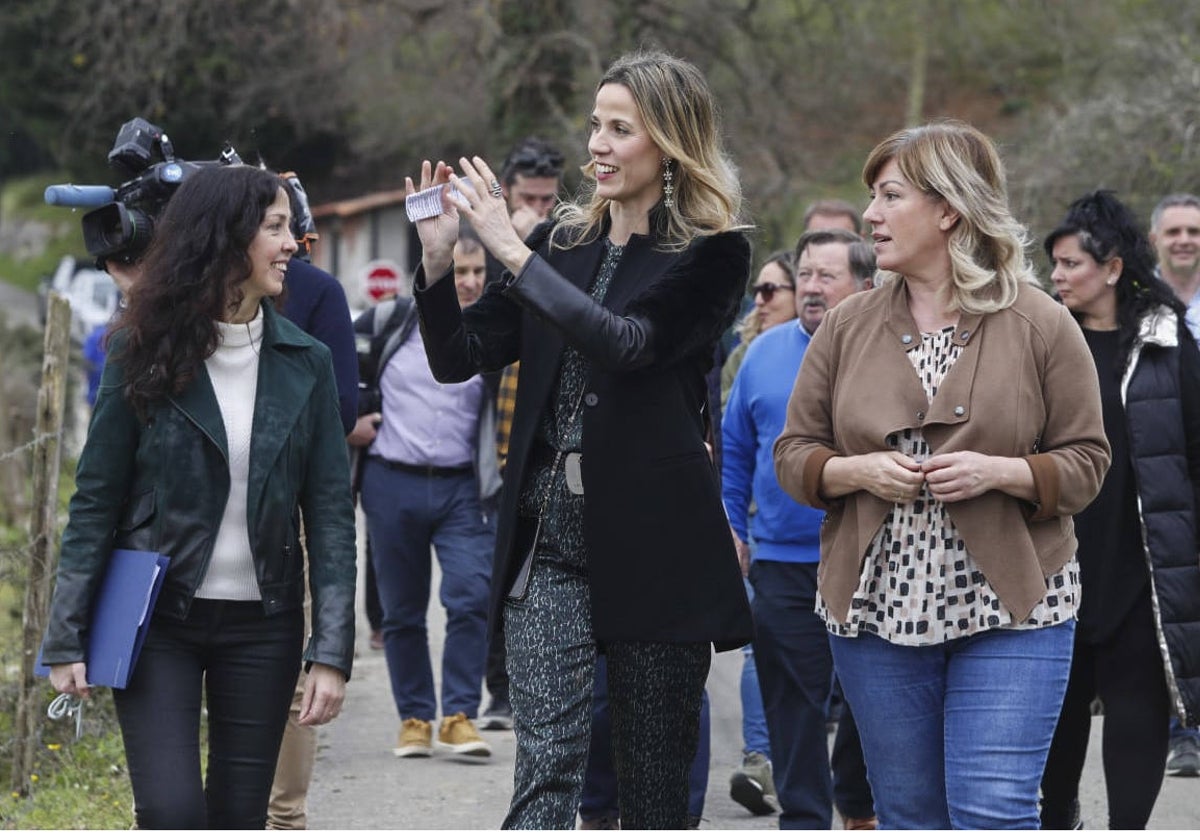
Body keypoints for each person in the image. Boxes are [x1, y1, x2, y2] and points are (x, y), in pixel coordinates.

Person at [408, 50, 754, 829]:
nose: (597, 143)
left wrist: (512, 250)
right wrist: (435, 264)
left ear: (669, 144)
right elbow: (456, 357)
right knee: (544, 774)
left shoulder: (712, 253)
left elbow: (629, 344)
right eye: (595, 124)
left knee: (653, 794)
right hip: (550, 555)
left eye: (620, 128)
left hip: (657, 554)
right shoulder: (564, 244)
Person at [773, 120, 1111, 830]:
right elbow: (794, 453)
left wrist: (1007, 472)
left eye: (890, 195)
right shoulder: (846, 326)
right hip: (876, 614)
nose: (870, 215)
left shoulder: (1043, 323)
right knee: (911, 815)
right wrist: (851, 469)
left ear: (949, 209)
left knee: (991, 811)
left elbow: (1087, 464)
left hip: (1017, 611)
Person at [39, 165, 357, 829]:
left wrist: (330, 651)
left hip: (264, 629)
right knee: (173, 813)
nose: (293, 241)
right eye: (274, 227)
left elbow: (330, 517)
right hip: (158, 623)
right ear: (224, 237)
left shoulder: (307, 362)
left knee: (240, 819)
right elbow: (95, 498)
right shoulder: (141, 349)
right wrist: (66, 635)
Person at [1037, 190, 1200, 828]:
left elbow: (1194, 449)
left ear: (1111, 268)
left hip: (1145, 565)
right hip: (1057, 559)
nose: (1058, 276)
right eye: (1054, 265)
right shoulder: (1042, 339)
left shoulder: (1166, 341)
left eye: (1071, 264)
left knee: (1137, 709)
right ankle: (1058, 819)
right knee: (1058, 711)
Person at [723, 228, 876, 830]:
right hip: (783, 560)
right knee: (793, 703)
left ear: (865, 284)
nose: (811, 288)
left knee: (874, 699)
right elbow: (734, 449)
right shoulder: (763, 353)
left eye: (826, 276)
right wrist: (733, 525)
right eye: (805, 274)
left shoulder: (886, 351)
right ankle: (806, 819)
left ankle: (859, 804)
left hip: (872, 557)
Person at [355, 225, 499, 761]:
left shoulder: (489, 330)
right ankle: (414, 716)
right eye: (459, 271)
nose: (467, 282)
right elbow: (340, 372)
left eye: (477, 272)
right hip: (392, 480)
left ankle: (459, 715)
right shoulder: (390, 322)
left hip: (464, 485)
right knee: (401, 610)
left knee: (469, 596)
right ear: (434, 268)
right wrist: (353, 421)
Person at [267, 174, 361, 831]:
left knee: (289, 667)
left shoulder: (315, 292)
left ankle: (284, 816)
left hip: (291, 505)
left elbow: (344, 406)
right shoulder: (191, 295)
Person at [480, 136, 567, 732]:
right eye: (527, 197)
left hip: (537, 424)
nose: (538, 208)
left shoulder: (565, 243)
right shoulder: (485, 243)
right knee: (491, 568)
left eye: (547, 197)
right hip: (482, 422)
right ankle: (497, 688)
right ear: (507, 193)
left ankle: (523, 683)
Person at [1149, 192, 1200, 778]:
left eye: (1194, 230)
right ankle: (1181, 733)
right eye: (1175, 231)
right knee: (1173, 605)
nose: (1185, 239)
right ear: (1157, 237)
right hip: (1163, 468)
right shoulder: (1144, 305)